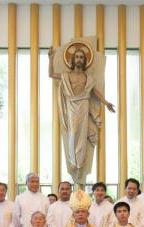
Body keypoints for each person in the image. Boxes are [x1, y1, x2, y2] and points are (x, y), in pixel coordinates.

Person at [48, 44, 115, 185]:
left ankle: (80, 164)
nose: (79, 59)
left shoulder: (87, 76)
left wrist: (106, 102)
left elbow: (95, 91)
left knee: (82, 134)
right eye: (77, 57)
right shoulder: (66, 75)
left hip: (84, 104)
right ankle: (74, 161)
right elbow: (51, 74)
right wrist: (51, 58)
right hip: (72, 105)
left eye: (81, 57)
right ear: (73, 60)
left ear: (84, 60)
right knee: (73, 133)